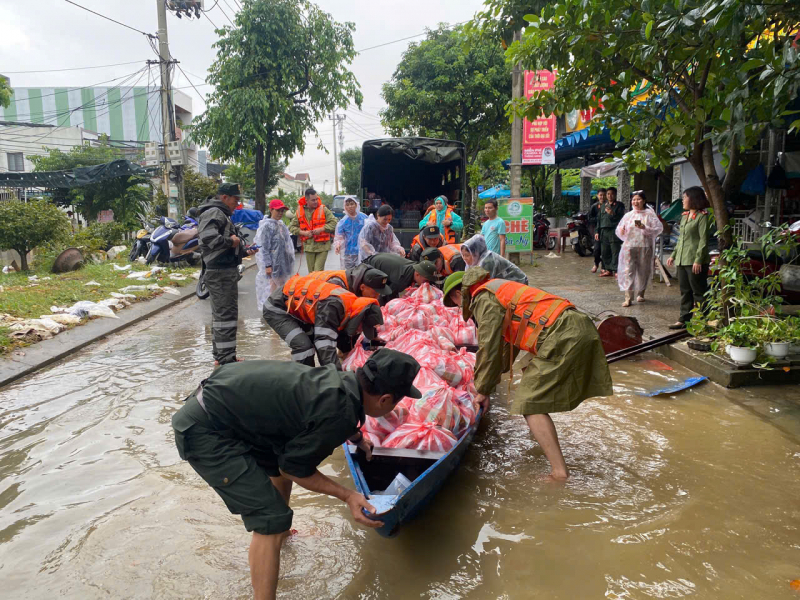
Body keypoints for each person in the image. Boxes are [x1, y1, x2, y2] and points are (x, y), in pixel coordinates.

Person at [171, 349, 422, 600]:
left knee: (278, 464)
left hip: (222, 404)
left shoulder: (340, 381)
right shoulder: (339, 411)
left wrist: (357, 437)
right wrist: (347, 495)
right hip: (206, 430)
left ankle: (282, 536)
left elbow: (311, 423)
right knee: (270, 516)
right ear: (386, 399)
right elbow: (294, 470)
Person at [461, 267, 613, 480]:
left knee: (529, 402)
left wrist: (482, 390)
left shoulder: (484, 298)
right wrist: (489, 381)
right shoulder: (501, 289)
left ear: (461, 294)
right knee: (531, 388)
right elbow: (503, 353)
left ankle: (559, 474)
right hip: (578, 325)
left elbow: (488, 346)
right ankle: (542, 443)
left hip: (562, 333)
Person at [263, 274, 384, 369]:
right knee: (304, 347)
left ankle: (312, 378)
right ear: (359, 319)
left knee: (312, 341)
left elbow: (339, 338)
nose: (359, 330)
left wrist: (371, 339)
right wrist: (338, 378)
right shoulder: (333, 307)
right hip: (277, 309)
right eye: (361, 328)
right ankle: (304, 384)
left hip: (299, 312)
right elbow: (324, 345)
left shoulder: (352, 307)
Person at [197, 183, 256, 366]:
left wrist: (243, 251)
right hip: (219, 272)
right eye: (235, 199)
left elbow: (224, 244)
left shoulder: (221, 214)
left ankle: (223, 355)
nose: (237, 203)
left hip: (224, 270)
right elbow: (208, 239)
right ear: (224, 197)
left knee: (224, 316)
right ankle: (225, 360)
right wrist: (230, 241)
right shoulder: (214, 212)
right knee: (226, 317)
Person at [666, 186, 711, 330]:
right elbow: (681, 239)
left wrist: (698, 259)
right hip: (682, 259)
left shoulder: (702, 216)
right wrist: (673, 255)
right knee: (685, 291)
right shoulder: (685, 216)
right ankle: (684, 319)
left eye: (685, 197)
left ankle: (705, 320)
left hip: (694, 260)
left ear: (694, 199)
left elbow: (703, 240)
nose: (683, 200)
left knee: (698, 291)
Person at [615, 191, 664, 307]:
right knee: (628, 271)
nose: (635, 202)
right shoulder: (628, 215)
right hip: (629, 246)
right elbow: (619, 229)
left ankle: (641, 293)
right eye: (633, 199)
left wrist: (644, 228)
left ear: (644, 201)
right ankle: (628, 298)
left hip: (644, 246)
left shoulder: (649, 214)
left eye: (638, 199)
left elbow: (658, 229)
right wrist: (622, 231)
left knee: (643, 271)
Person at [254, 199, 296, 312]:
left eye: (282, 211)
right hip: (272, 265)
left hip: (283, 264)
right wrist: (267, 265)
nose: (280, 213)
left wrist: (290, 262)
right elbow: (263, 247)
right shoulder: (266, 226)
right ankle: (271, 310)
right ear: (271, 209)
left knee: (282, 287)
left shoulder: (281, 225)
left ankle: (278, 308)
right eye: (278, 210)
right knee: (272, 288)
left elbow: (288, 246)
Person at [290, 188, 337, 273]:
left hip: (323, 246)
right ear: (306, 200)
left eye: (316, 199)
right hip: (309, 247)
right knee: (311, 273)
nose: (316, 202)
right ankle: (314, 286)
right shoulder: (299, 212)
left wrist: (322, 229)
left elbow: (334, 222)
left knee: (317, 272)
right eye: (313, 200)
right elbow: (292, 227)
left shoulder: (323, 209)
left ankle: (318, 285)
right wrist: (304, 233)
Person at [362, 253, 439, 300]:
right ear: (417, 274)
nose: (427, 283)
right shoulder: (402, 279)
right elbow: (388, 294)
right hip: (369, 267)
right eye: (426, 280)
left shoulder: (414, 267)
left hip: (380, 262)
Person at [460, 235, 528, 284]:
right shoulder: (477, 260)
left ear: (476, 253)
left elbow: (485, 283)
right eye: (463, 255)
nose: (464, 258)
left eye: (467, 255)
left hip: (517, 282)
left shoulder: (487, 261)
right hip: (503, 282)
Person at [307, 264, 394, 299]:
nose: (377, 298)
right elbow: (326, 315)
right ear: (362, 287)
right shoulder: (337, 286)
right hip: (301, 300)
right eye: (375, 294)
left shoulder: (355, 282)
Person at [597, 186, 625, 278]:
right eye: (608, 194)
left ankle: (616, 270)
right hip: (603, 231)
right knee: (605, 251)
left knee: (615, 251)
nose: (610, 196)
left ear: (615, 195)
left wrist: (612, 214)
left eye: (612, 194)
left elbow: (621, 219)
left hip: (614, 231)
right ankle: (608, 269)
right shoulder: (603, 205)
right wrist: (597, 231)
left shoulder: (619, 205)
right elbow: (599, 219)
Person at [334, 197, 368, 269]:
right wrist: (338, 245)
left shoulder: (364, 218)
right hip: (348, 252)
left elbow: (370, 231)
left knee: (361, 272)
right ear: (345, 207)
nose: (350, 206)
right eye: (347, 205)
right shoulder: (343, 222)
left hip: (362, 250)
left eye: (352, 204)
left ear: (356, 205)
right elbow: (339, 236)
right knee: (349, 273)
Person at [589, 189, 606, 273]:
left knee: (605, 249)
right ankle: (596, 264)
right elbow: (590, 218)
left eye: (604, 195)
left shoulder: (610, 206)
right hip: (596, 229)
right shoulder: (594, 206)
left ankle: (604, 266)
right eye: (600, 195)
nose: (602, 197)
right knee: (597, 248)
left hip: (606, 230)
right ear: (597, 196)